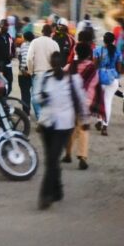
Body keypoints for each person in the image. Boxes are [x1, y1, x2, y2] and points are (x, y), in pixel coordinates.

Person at [36, 51, 88, 210]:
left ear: (63, 63)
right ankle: (57, 189)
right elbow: (36, 97)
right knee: (50, 159)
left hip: (64, 126)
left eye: (59, 63)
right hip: (47, 124)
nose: (56, 66)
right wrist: (42, 97)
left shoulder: (73, 80)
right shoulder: (44, 78)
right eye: (54, 63)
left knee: (52, 159)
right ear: (51, 63)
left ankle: (46, 195)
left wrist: (85, 120)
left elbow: (81, 100)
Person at [63, 43, 103, 170]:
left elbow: (62, 79)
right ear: (88, 54)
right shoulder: (92, 68)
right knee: (83, 129)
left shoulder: (71, 66)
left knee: (70, 128)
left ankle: (68, 154)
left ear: (76, 52)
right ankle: (83, 157)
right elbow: (95, 84)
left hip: (70, 102)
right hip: (86, 103)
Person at [26, 24, 60, 121]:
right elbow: (57, 60)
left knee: (36, 98)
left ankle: (41, 118)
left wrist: (30, 70)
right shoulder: (55, 44)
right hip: (51, 74)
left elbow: (29, 58)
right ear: (51, 33)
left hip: (38, 74)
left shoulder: (35, 42)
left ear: (42, 31)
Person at [94, 32, 122, 136]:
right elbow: (119, 68)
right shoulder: (117, 52)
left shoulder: (98, 50)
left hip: (100, 78)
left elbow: (94, 66)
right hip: (113, 79)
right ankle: (104, 126)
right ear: (113, 41)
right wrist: (117, 79)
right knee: (107, 102)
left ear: (104, 40)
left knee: (99, 100)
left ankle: (99, 120)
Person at [17, 30, 35, 114]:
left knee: (25, 94)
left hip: (23, 72)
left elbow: (20, 57)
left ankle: (26, 112)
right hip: (32, 72)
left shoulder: (23, 45)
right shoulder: (35, 45)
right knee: (33, 93)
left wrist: (22, 69)